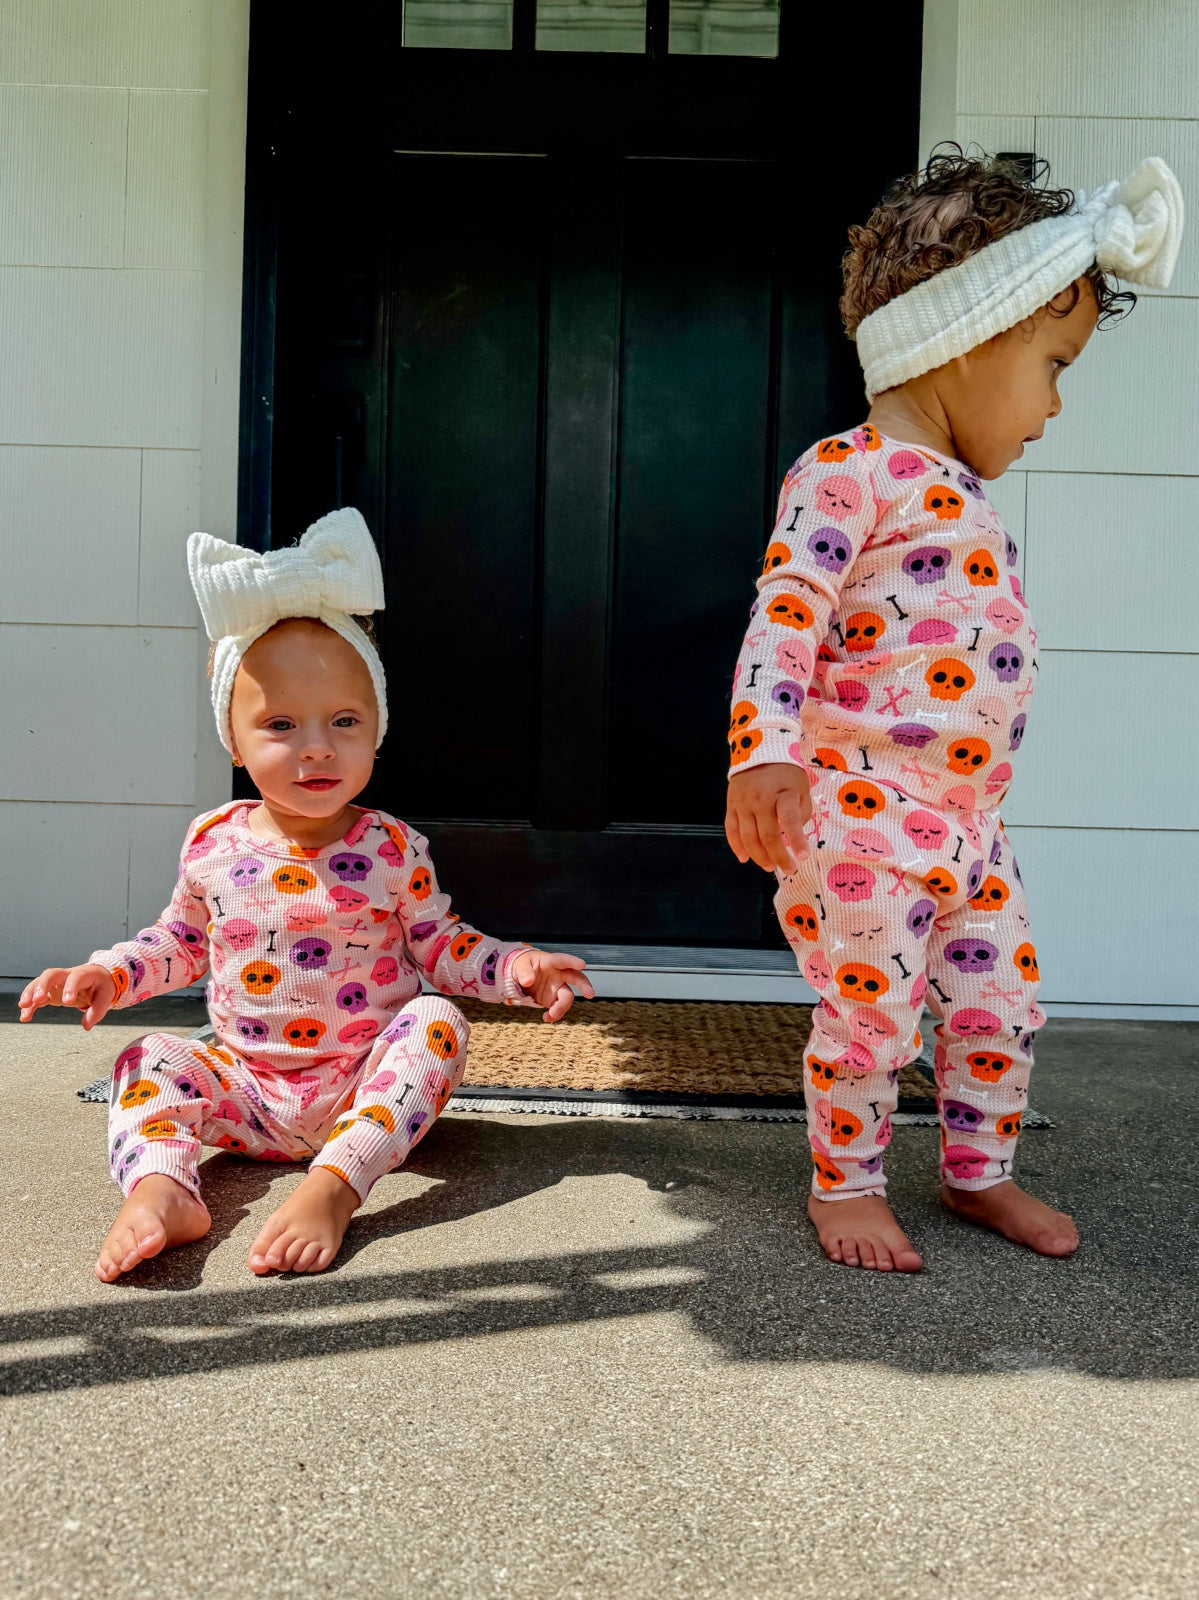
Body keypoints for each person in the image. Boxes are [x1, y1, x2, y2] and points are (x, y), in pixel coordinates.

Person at [724, 150, 1183, 1272]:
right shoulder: (847, 471)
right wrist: (763, 750)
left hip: (967, 823)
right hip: (856, 813)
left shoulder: (959, 495)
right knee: (871, 1013)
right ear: (972, 335)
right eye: (1051, 364)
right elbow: (784, 617)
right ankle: (847, 1184)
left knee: (1000, 1003)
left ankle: (979, 1174)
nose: (1055, 404)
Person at [20, 509, 593, 1281]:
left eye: (344, 721)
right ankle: (164, 1188)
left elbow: (442, 945)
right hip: (247, 1091)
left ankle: (336, 1184)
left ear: (377, 730)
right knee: (147, 1057)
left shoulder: (390, 847)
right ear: (235, 740)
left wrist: (517, 969)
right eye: (282, 724)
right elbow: (182, 942)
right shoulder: (214, 842)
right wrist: (111, 974)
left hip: (364, 1085)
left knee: (435, 1024)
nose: (317, 746)